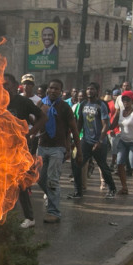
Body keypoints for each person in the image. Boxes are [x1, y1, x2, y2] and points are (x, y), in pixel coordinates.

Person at [4, 73, 47, 227]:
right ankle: (6, 216)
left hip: (18, 149)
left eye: (7, 83)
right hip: (0, 149)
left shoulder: (22, 102)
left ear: (16, 86)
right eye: (1, 84)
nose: (4, 86)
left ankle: (30, 218)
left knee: (20, 183)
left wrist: (30, 132)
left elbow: (43, 117)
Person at [34, 79, 77, 223]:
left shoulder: (64, 107)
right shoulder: (41, 104)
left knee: (53, 180)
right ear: (47, 89)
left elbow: (73, 128)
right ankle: (54, 198)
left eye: (56, 89)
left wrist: (75, 148)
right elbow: (35, 123)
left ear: (61, 91)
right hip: (42, 146)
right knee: (39, 178)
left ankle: (54, 211)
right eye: (51, 88)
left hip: (57, 148)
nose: (53, 91)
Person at [72, 82, 117, 199]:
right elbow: (80, 123)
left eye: (92, 89)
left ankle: (112, 188)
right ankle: (78, 192)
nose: (89, 91)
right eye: (87, 89)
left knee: (103, 166)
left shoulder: (101, 105)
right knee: (76, 163)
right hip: (86, 141)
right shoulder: (82, 104)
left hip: (99, 142)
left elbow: (106, 125)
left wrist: (100, 141)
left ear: (97, 91)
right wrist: (75, 140)